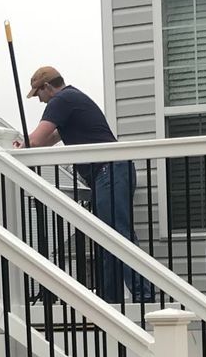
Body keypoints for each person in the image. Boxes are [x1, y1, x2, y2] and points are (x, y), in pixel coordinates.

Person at [18, 66, 149, 303]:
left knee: (119, 235)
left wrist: (21, 146)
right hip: (113, 169)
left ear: (47, 87)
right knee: (108, 238)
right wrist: (25, 147)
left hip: (109, 169)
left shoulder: (61, 100)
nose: (38, 99)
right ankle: (112, 303)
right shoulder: (73, 99)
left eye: (38, 93)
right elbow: (46, 142)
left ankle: (143, 297)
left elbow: (36, 139)